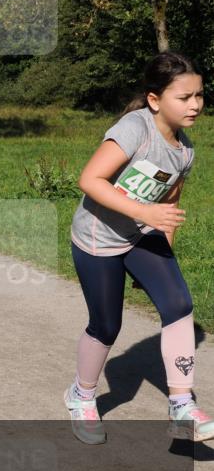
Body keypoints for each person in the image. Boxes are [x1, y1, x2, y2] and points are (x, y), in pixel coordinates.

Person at [64, 51, 213, 444]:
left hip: (140, 234)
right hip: (98, 238)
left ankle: (181, 406)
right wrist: (145, 211)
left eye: (199, 95)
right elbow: (90, 180)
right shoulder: (135, 128)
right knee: (107, 325)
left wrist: (162, 254)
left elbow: (168, 206)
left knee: (178, 303)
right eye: (184, 97)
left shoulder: (185, 151)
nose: (195, 104)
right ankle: (81, 396)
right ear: (154, 100)